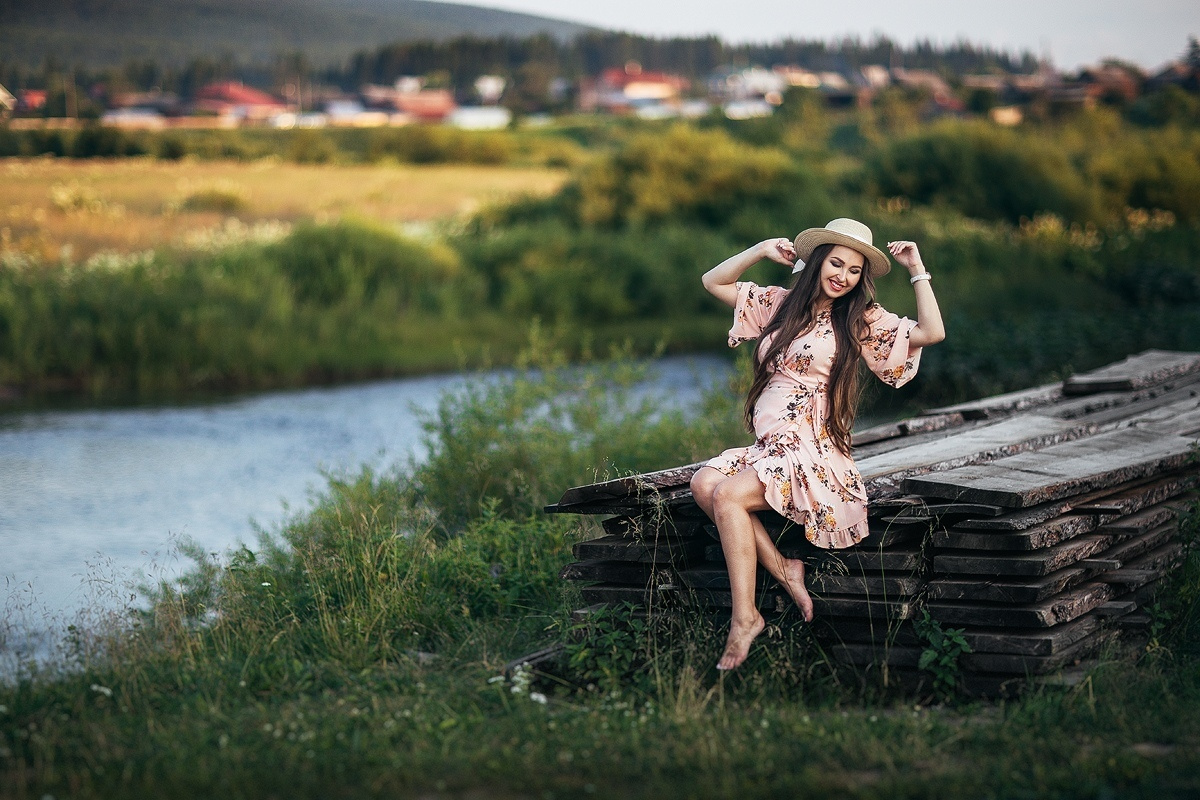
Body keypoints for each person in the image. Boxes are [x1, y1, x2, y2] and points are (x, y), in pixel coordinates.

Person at [688, 218, 945, 671]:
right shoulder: (780, 306)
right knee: (702, 483)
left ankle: (745, 618)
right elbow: (713, 281)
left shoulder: (859, 320)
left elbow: (931, 333)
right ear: (818, 261)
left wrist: (916, 269)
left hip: (812, 449)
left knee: (727, 495)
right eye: (836, 263)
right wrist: (761, 248)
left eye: (854, 271)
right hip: (771, 444)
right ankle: (785, 569)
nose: (843, 276)